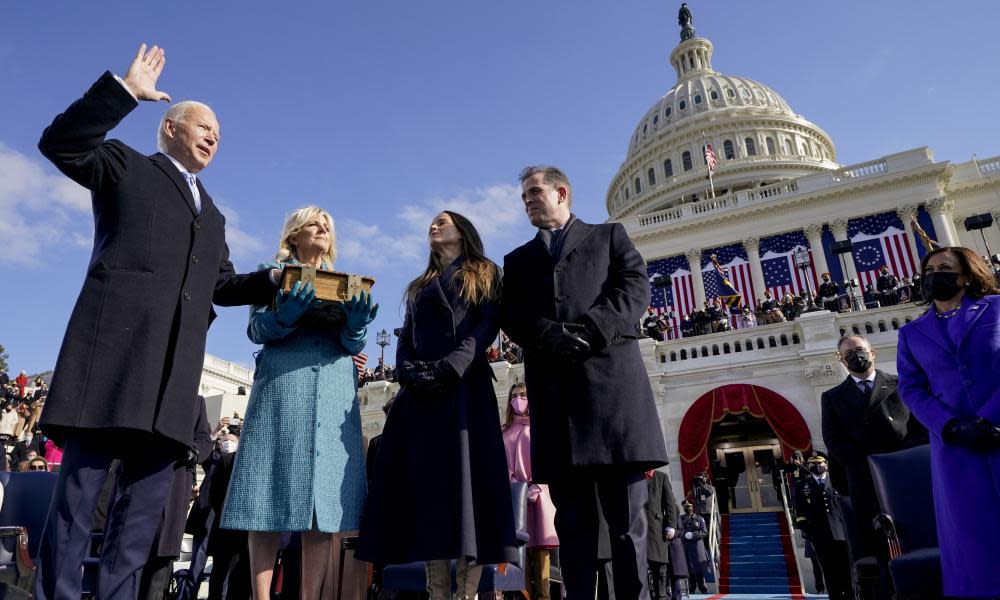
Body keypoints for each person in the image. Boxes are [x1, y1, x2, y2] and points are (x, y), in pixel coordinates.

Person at [33, 44, 279, 600]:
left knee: (139, 524)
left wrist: (276, 279)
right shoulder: (124, 166)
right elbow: (61, 143)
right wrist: (123, 92)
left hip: (171, 382)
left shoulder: (213, 213)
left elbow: (223, 284)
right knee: (78, 506)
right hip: (112, 364)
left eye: (220, 131)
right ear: (170, 126)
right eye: (205, 125)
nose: (215, 136)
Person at [500, 166, 668, 600]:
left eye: (535, 192)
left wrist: (591, 329)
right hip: (557, 408)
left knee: (628, 527)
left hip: (613, 401)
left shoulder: (609, 237)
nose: (528, 201)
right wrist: (547, 334)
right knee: (572, 530)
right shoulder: (517, 262)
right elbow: (512, 315)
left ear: (562, 192)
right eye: (524, 197)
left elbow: (634, 289)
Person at [358, 211, 517, 600]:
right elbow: (406, 335)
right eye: (431, 222)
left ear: (462, 231)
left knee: (470, 493)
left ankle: (466, 594)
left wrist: (451, 367)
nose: (433, 226)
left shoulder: (485, 272)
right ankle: (437, 592)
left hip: (465, 391)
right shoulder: (419, 285)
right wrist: (408, 373)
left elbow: (486, 326)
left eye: (442, 221)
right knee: (426, 492)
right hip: (421, 398)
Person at [220, 205, 377, 600]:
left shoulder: (348, 282)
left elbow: (352, 344)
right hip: (282, 390)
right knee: (266, 495)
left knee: (322, 509)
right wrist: (283, 317)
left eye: (327, 224)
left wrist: (356, 327)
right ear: (293, 235)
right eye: (313, 222)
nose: (322, 228)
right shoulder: (269, 275)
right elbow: (256, 329)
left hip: (334, 391)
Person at [895, 246, 1000, 597]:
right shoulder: (911, 334)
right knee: (972, 541)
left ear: (966, 275)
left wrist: (986, 420)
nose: (934, 275)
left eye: (944, 268)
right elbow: (912, 389)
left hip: (997, 432)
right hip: (955, 449)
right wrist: (951, 426)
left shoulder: (997, 309)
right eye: (928, 270)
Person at [821, 333, 927, 589]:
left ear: (872, 352)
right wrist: (869, 462)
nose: (855, 357)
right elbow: (834, 441)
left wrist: (897, 460)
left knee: (918, 540)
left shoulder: (900, 385)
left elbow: (919, 430)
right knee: (880, 548)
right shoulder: (833, 397)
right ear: (842, 361)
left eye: (859, 350)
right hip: (866, 481)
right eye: (848, 355)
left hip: (905, 476)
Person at [502, 382, 558, 600]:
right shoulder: (504, 431)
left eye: (523, 395)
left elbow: (546, 457)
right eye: (514, 395)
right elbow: (502, 464)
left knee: (541, 553)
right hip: (516, 497)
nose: (518, 399)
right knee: (520, 553)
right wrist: (517, 486)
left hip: (539, 494)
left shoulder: (538, 427)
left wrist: (536, 484)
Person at [793, 456, 849, 600]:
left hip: (841, 533)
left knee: (846, 568)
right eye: (813, 463)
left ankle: (850, 594)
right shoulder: (802, 485)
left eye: (820, 463)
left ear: (826, 464)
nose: (817, 465)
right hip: (819, 534)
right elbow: (799, 510)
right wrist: (806, 529)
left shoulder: (837, 480)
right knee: (828, 570)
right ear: (808, 465)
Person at [644, 470, 686, 600]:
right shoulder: (633, 476)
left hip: (656, 530)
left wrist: (671, 526)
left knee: (659, 568)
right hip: (635, 529)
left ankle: (661, 596)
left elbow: (670, 505)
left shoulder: (661, 477)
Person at [678, 501, 708, 593]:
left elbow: (704, 532)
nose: (687, 508)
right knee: (688, 568)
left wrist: (693, 535)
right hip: (686, 547)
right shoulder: (680, 519)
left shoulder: (699, 519)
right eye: (685, 507)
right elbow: (678, 531)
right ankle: (691, 588)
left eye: (689, 506)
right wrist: (683, 535)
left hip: (697, 547)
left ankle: (702, 587)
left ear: (692, 507)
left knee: (698, 567)